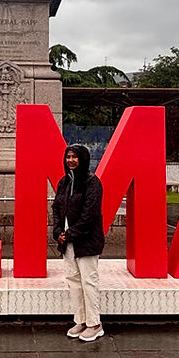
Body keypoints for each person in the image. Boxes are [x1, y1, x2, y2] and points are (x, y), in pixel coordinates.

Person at [51, 144, 105, 342]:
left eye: (75, 157)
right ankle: (80, 320)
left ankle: (95, 324)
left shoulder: (92, 183)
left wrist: (71, 233)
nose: (71, 160)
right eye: (68, 157)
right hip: (68, 241)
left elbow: (90, 214)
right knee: (74, 282)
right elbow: (56, 208)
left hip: (86, 241)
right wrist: (58, 232)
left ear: (83, 159)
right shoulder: (64, 182)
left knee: (88, 282)